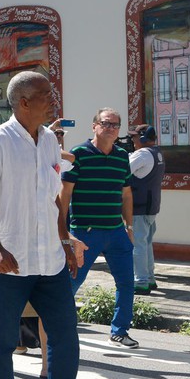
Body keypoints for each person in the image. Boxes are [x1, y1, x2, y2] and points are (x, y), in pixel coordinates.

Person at [0, 71, 92, 379]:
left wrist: (65, 241)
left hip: (49, 260)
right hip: (10, 262)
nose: (52, 99)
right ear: (23, 102)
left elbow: (54, 199)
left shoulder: (50, 143)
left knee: (65, 332)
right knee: (4, 337)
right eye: (44, 94)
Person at [60, 108, 138, 349]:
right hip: (85, 232)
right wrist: (63, 233)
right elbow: (65, 195)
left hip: (116, 231)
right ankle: (55, 325)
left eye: (115, 125)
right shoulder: (79, 154)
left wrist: (130, 226)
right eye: (106, 123)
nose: (111, 128)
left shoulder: (122, 156)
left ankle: (119, 331)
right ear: (94, 126)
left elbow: (126, 194)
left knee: (126, 283)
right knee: (71, 282)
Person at [128, 125, 165, 294]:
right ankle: (150, 278)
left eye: (135, 137)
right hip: (151, 205)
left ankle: (141, 280)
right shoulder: (156, 153)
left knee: (138, 244)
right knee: (147, 243)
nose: (133, 140)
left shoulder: (142, 154)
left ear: (143, 138)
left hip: (140, 205)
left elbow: (124, 171)